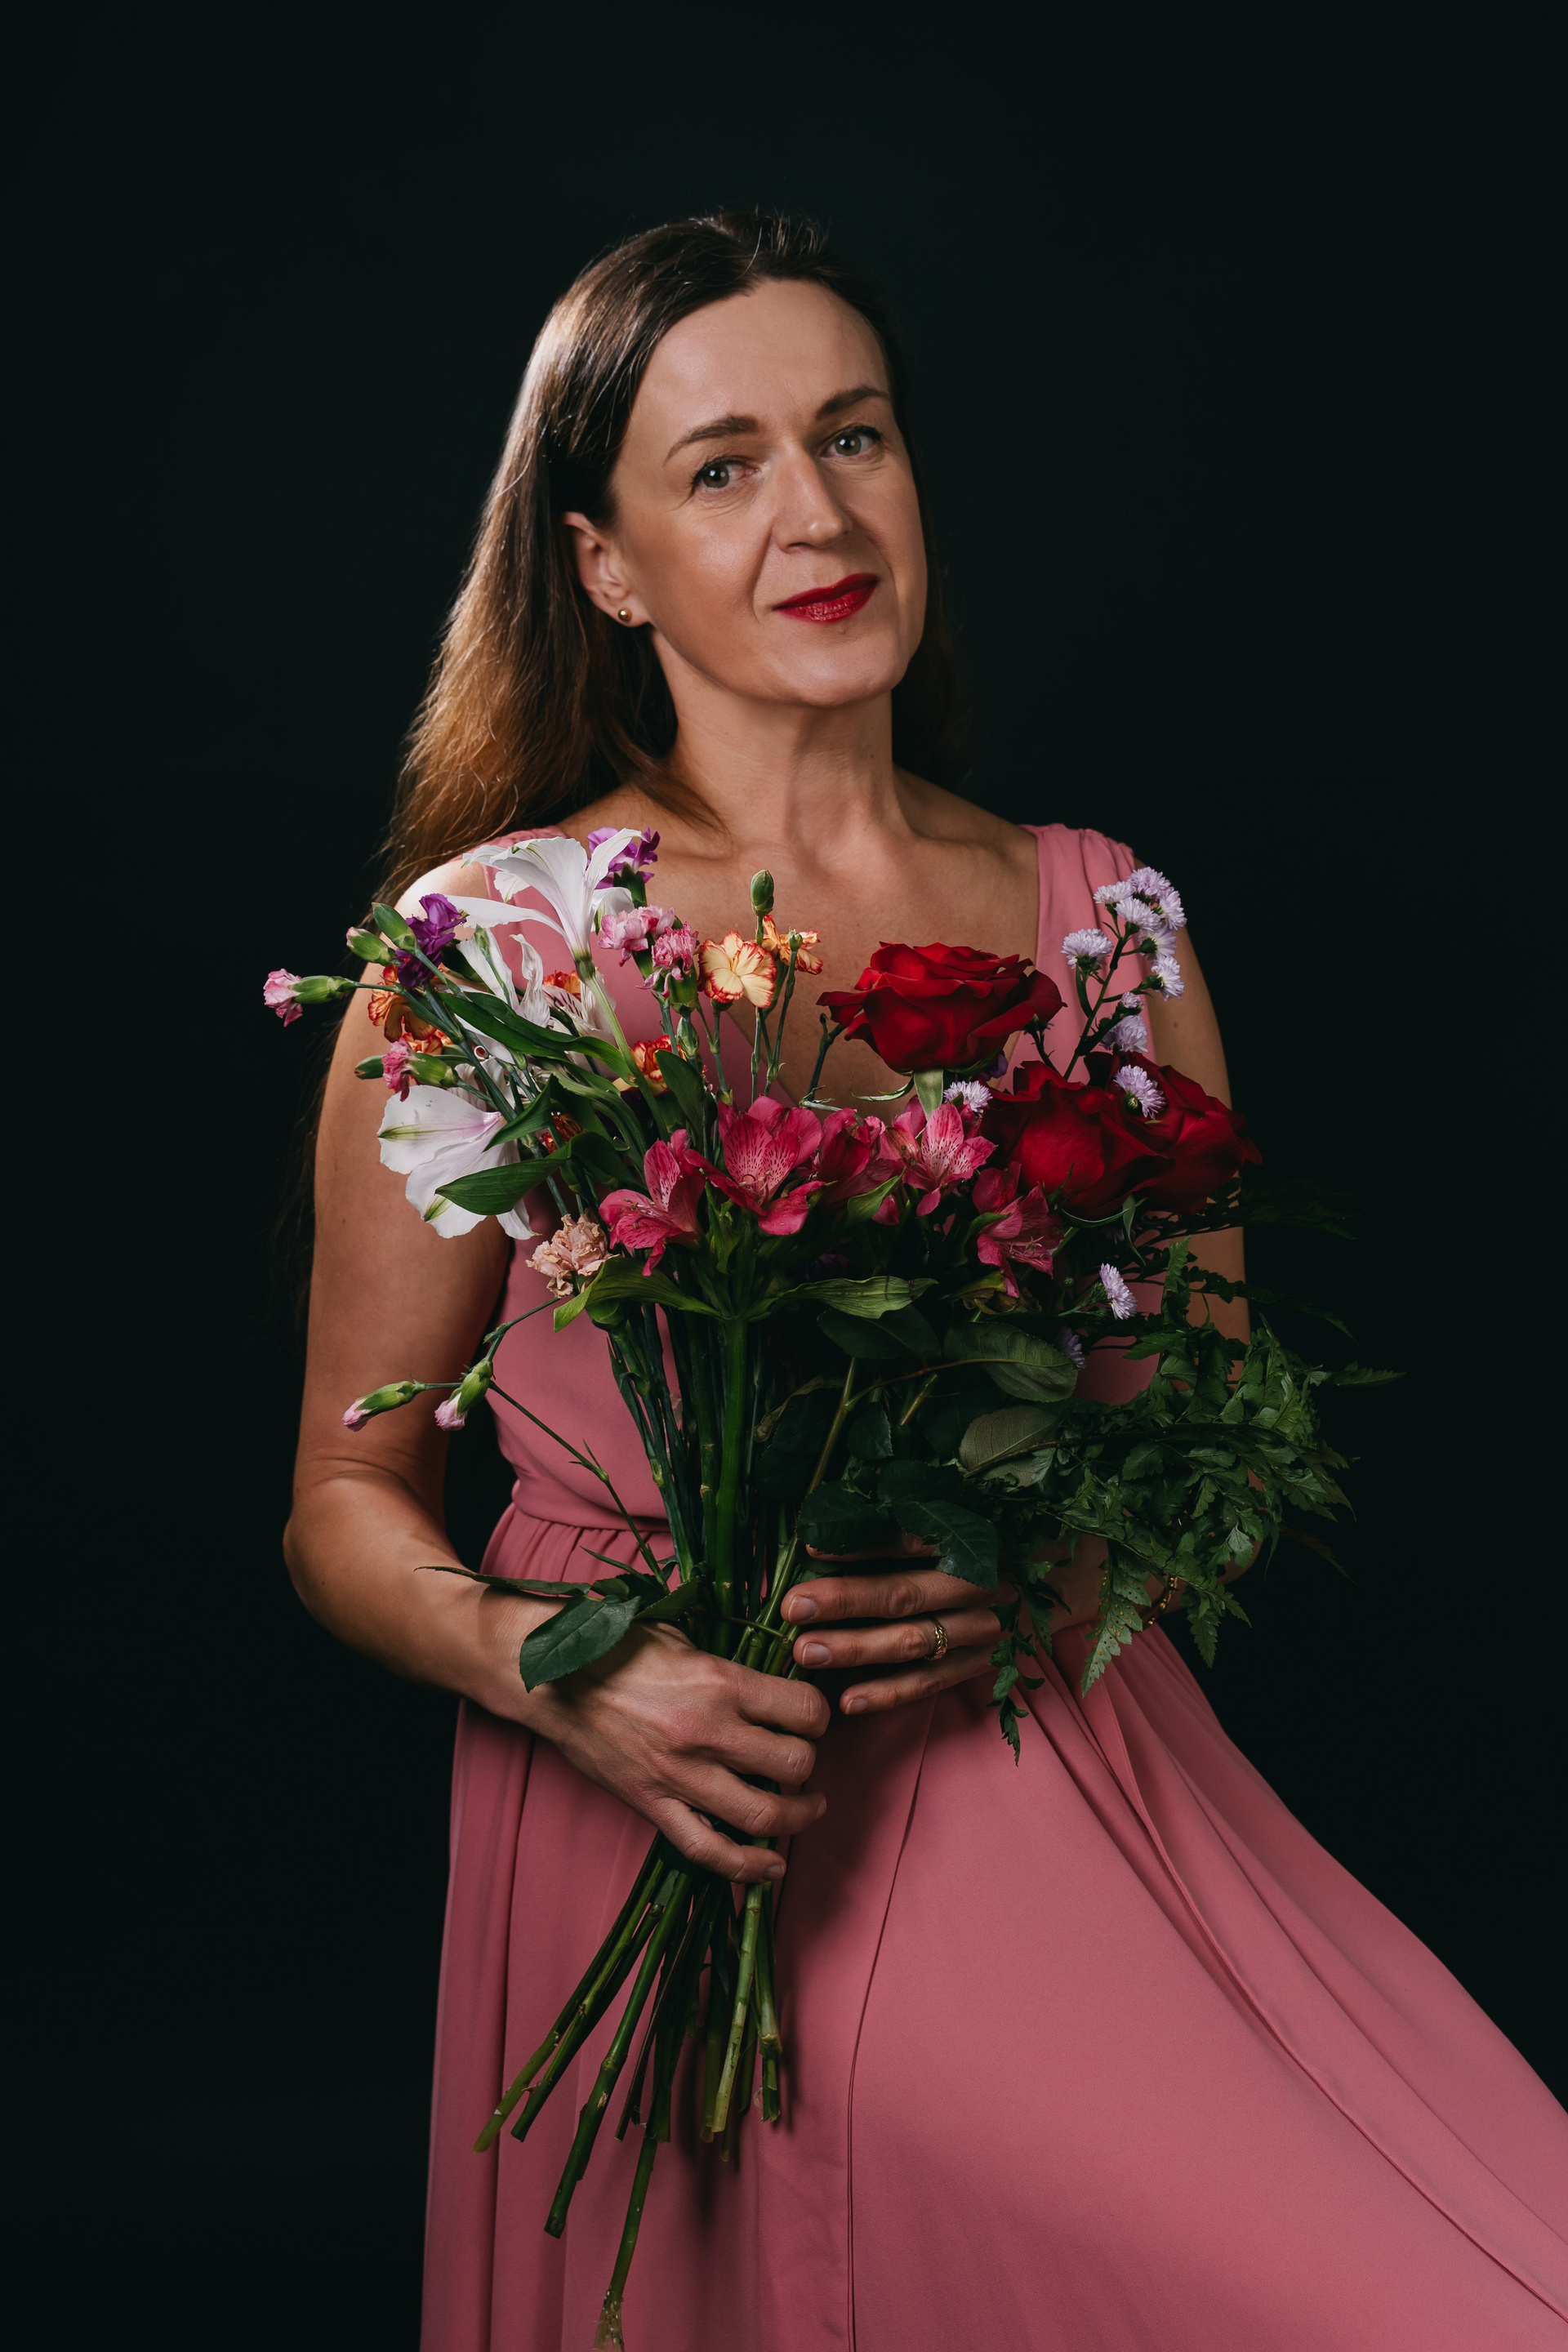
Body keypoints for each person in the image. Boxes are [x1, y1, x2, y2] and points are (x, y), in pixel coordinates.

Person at [285, 214, 1568, 2351]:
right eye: (724, 466)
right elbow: (345, 1502)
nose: (817, 512)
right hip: (658, 1789)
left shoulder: (1104, 921)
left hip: (1052, 1772)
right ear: (603, 563)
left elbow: (1218, 1437)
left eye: (854, 435)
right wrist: (570, 1674)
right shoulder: (489, 952)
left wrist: (1063, 1559)